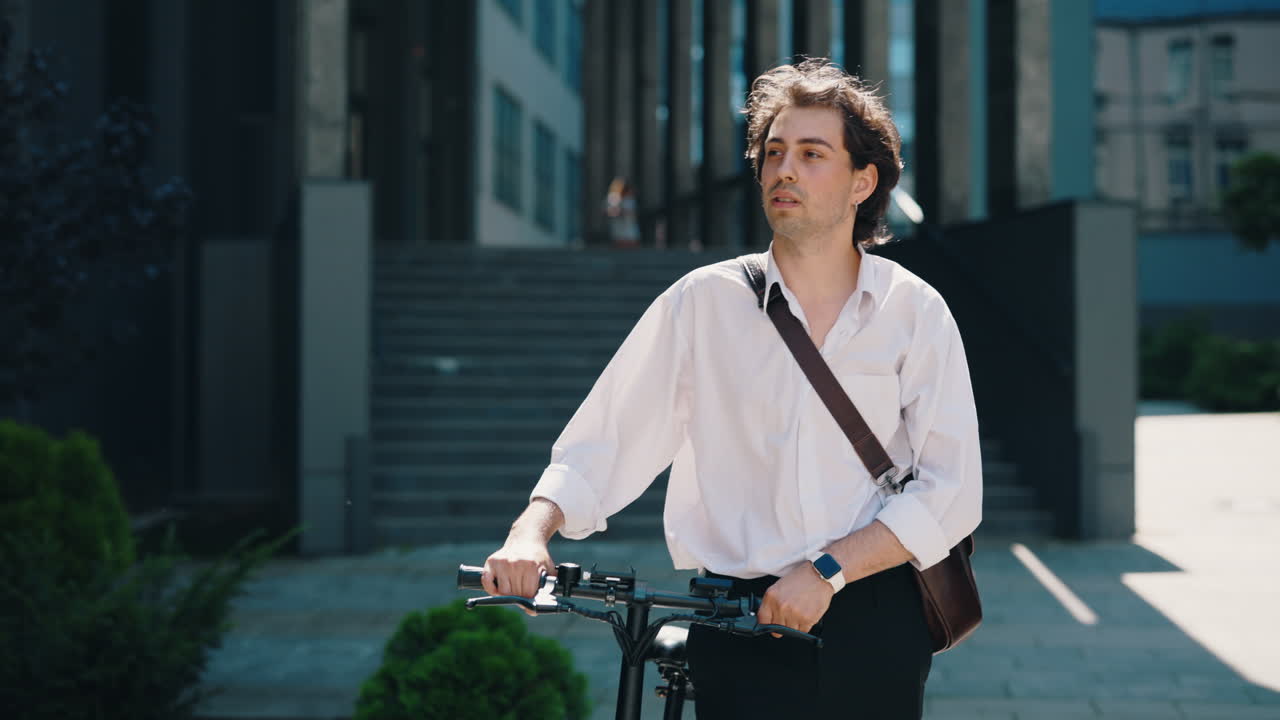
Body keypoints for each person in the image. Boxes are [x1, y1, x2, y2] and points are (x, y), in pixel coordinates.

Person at [481, 59, 982, 719]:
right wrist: (529, 532)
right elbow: (603, 440)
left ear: (863, 181)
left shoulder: (914, 311)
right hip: (736, 618)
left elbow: (952, 490)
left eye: (811, 153)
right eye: (774, 153)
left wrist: (828, 571)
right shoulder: (703, 303)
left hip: (874, 618)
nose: (785, 170)